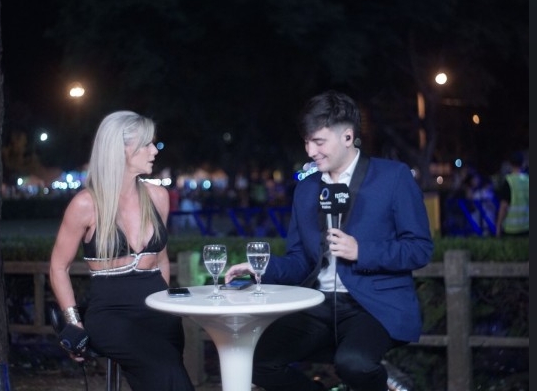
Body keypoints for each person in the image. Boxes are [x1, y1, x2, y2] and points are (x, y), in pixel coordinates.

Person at [224, 91, 434, 391]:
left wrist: (361, 251)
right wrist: (261, 268)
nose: (310, 151)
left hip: (372, 306)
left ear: (347, 137)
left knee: (354, 364)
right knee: (253, 360)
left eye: (318, 142)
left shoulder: (394, 177)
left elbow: (420, 249)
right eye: (306, 142)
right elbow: (299, 260)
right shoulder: (306, 189)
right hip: (317, 303)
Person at [49, 111, 195, 391]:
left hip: (159, 312)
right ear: (122, 150)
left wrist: (165, 304)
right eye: (146, 144)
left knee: (165, 371)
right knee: (167, 370)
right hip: (110, 316)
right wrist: (74, 323)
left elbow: (161, 259)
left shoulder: (158, 197)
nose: (154, 150)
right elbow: (58, 267)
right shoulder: (86, 204)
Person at [495, 151, 529, 237]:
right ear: (523, 163)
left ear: (510, 164)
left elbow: (504, 206)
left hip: (511, 229)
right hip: (526, 226)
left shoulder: (508, 181)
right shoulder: (527, 180)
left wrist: (498, 225)